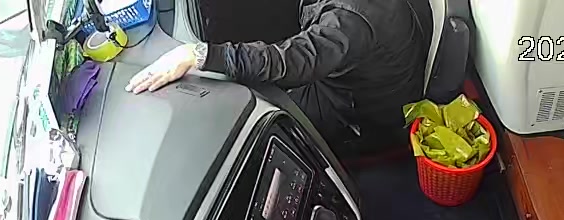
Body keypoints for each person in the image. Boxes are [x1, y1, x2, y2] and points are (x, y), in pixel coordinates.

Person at [124, 0, 427, 156]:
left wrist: (199, 55)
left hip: (355, 111)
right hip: (356, 71)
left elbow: (290, 61)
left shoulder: (348, 21)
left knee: (257, 111)